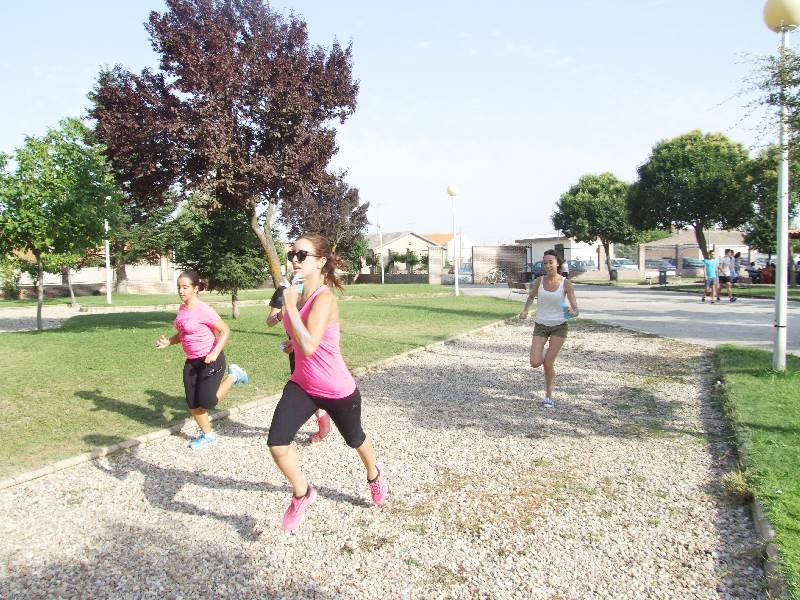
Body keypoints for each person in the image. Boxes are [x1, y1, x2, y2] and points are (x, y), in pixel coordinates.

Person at [267, 234, 388, 531]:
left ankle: (374, 474)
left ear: (320, 261)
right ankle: (302, 493)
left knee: (354, 438)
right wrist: (292, 344)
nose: (294, 259)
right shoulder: (298, 293)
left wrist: (292, 309)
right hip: (303, 384)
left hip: (336, 388)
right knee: (278, 444)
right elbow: (304, 342)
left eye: (302, 255)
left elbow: (311, 344)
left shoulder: (324, 298)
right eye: (292, 254)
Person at [156, 270, 248, 449]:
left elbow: (225, 330)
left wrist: (214, 353)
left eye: (185, 287)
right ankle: (208, 435)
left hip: (210, 360)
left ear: (195, 288)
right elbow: (183, 333)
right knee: (192, 402)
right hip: (192, 361)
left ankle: (234, 375)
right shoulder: (182, 309)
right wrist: (169, 342)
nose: (181, 291)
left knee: (207, 402)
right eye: (179, 287)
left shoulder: (203, 310)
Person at [266, 275, 331, 444]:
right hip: (295, 350)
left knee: (317, 387)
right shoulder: (283, 291)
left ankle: (328, 422)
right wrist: (281, 314)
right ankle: (322, 421)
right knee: (306, 388)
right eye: (294, 257)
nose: (297, 261)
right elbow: (269, 322)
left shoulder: (314, 288)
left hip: (316, 347)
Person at [518, 249, 579, 409]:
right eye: (545, 263)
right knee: (535, 362)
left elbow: (575, 309)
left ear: (557, 263)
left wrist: (571, 312)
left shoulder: (566, 283)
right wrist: (525, 310)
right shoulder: (540, 281)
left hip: (559, 326)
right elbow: (531, 296)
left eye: (550, 262)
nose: (547, 265)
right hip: (541, 325)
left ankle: (549, 396)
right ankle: (544, 353)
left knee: (548, 364)